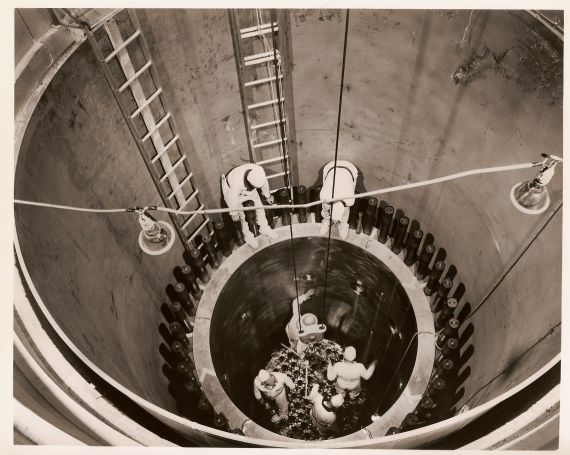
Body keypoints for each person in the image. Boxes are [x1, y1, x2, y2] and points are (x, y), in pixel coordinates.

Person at [221, 163, 278, 248]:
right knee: (241, 215)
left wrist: (268, 196)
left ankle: (264, 227)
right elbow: (232, 199)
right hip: (230, 188)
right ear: (249, 183)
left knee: (259, 205)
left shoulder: (259, 171)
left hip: (246, 187)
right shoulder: (237, 184)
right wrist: (234, 213)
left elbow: (264, 183)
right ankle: (247, 235)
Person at [319, 160, 359, 240]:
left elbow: (345, 209)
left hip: (350, 169)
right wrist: (327, 217)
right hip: (331, 168)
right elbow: (324, 209)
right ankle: (326, 220)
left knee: (346, 211)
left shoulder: (350, 201)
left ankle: (344, 223)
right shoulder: (325, 196)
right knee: (325, 207)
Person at [285, 289, 317, 354]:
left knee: (293, 344)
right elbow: (300, 349)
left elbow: (295, 303)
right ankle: (293, 348)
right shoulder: (303, 333)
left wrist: (306, 295)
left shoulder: (297, 316)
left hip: (288, 329)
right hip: (293, 337)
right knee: (294, 344)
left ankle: (292, 347)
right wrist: (302, 351)